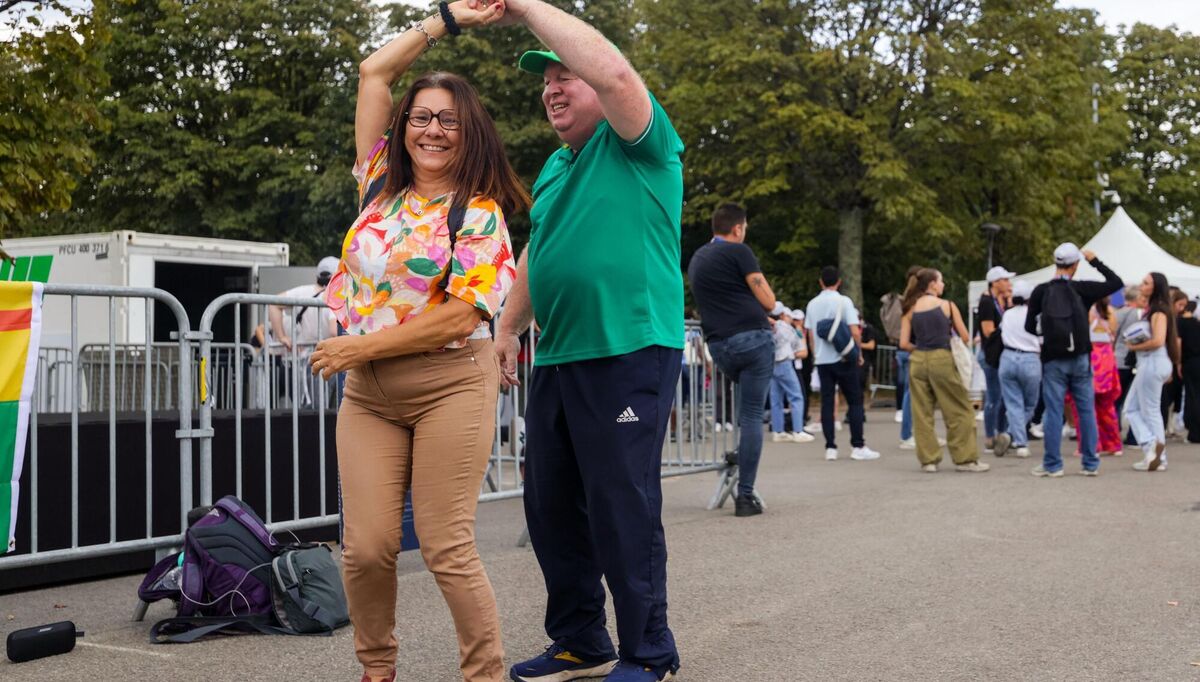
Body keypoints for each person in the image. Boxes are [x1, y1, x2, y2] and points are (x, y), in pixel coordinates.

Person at [308, 4, 522, 680]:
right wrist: (448, 18)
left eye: (448, 120)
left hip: (449, 385)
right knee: (365, 549)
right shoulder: (376, 186)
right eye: (421, 117)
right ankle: (377, 671)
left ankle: (483, 676)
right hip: (370, 397)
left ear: (469, 134)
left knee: (445, 548)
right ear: (403, 129)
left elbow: (463, 317)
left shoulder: (481, 214)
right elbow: (375, 71)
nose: (432, 130)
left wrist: (355, 349)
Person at [489, 2, 686, 679]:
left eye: (565, 76)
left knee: (619, 500)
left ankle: (648, 651)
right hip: (560, 355)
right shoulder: (554, 167)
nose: (551, 89)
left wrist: (525, 7)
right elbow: (537, 254)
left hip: (629, 349)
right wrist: (508, 327)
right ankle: (581, 639)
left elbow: (619, 76)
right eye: (544, 82)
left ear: (598, 85)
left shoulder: (642, 143)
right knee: (550, 506)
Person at [688, 203, 777, 514]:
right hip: (753, 340)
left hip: (720, 346)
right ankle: (746, 495)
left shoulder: (698, 257)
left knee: (743, 411)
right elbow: (768, 300)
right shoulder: (740, 252)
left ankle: (740, 454)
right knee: (751, 416)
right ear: (738, 228)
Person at [1024, 244, 1123, 477]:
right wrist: (1095, 261)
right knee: (1086, 409)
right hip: (1080, 357)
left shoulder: (1041, 291)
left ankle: (1053, 465)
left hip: (1053, 359)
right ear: (1075, 265)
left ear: (1055, 262)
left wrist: (1048, 335)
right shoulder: (1082, 289)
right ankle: (1090, 463)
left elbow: (1029, 326)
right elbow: (1116, 282)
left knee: (1054, 411)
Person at [898, 269, 989, 473]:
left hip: (918, 360)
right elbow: (965, 336)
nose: (943, 284)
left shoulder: (909, 308)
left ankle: (928, 460)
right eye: (941, 281)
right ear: (932, 284)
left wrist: (919, 349)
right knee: (958, 409)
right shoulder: (946, 305)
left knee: (922, 412)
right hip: (942, 357)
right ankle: (965, 459)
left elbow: (904, 342)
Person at [805, 266, 880, 462]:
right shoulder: (844, 301)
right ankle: (858, 445)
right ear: (839, 281)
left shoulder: (812, 304)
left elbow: (811, 334)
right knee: (854, 401)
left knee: (827, 402)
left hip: (823, 360)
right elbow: (854, 331)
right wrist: (858, 353)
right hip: (844, 358)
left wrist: (816, 355)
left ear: (820, 282)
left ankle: (830, 447)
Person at [1124, 273, 1181, 471]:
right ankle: (1155, 453)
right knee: (1147, 410)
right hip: (1156, 363)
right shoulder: (1158, 310)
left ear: (1155, 288)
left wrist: (1133, 346)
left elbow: (1157, 340)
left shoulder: (1158, 311)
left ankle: (1152, 448)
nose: (1142, 285)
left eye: (1146, 283)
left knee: (1139, 409)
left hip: (1152, 362)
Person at [1065, 298, 1122, 456]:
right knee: (1106, 405)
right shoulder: (1110, 311)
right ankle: (1112, 443)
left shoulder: (1086, 310)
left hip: (1090, 355)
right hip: (1107, 358)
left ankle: (1089, 445)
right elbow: (1113, 334)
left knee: (1083, 405)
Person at [998, 280, 1040, 458]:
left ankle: (1012, 435)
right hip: (1030, 358)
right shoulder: (1036, 315)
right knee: (1030, 403)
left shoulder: (1007, 314)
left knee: (1013, 402)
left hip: (1007, 358)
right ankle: (1017, 439)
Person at [977, 266, 1014, 452]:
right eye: (1005, 280)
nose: (1009, 284)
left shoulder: (1004, 301)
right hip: (990, 354)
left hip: (1000, 354)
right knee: (994, 396)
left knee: (1004, 396)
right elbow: (988, 331)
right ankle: (990, 437)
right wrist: (1007, 328)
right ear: (996, 283)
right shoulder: (986, 302)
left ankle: (1002, 433)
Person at [767, 303, 814, 443]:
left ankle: (778, 430)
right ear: (782, 315)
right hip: (785, 363)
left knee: (776, 399)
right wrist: (798, 329)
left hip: (772, 364)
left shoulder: (766, 326)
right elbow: (798, 342)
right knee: (796, 397)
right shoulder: (784, 327)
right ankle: (798, 430)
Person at [1112, 284, 1144, 445]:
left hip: (1117, 360)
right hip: (1132, 360)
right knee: (1133, 401)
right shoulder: (1138, 315)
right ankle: (1132, 436)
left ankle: (1114, 432)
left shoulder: (1117, 313)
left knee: (1115, 400)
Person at [1179, 299, 1200, 443]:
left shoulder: (1181, 323)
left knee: (1192, 396)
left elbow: (1178, 343)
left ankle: (1194, 432)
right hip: (1194, 361)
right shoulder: (1195, 324)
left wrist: (1178, 363)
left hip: (1190, 362)